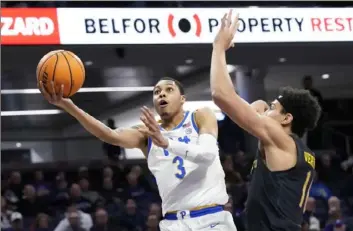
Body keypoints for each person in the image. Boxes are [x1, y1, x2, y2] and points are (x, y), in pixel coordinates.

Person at [38, 79, 236, 229]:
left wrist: (166, 142)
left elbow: (208, 155)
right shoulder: (145, 133)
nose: (161, 95)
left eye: (169, 90)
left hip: (212, 219)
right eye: (157, 92)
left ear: (182, 99)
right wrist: (69, 106)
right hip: (174, 223)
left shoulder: (201, 115)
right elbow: (110, 135)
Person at [210, 10, 322, 231]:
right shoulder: (299, 150)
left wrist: (218, 48)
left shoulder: (279, 138)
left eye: (274, 108)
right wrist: (263, 106)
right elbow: (254, 111)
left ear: (287, 118)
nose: (266, 111)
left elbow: (221, 95)